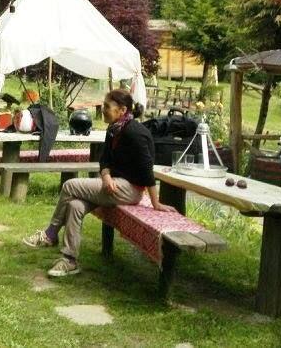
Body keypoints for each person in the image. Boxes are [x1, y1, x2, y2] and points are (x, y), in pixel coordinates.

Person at [22, 89, 175, 277]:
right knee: (75, 205)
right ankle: (69, 260)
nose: (103, 110)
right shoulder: (114, 129)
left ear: (122, 110)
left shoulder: (135, 133)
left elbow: (146, 170)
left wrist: (155, 203)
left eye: (107, 106)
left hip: (130, 190)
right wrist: (106, 176)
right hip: (113, 184)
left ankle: (50, 234)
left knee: (70, 186)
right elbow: (105, 160)